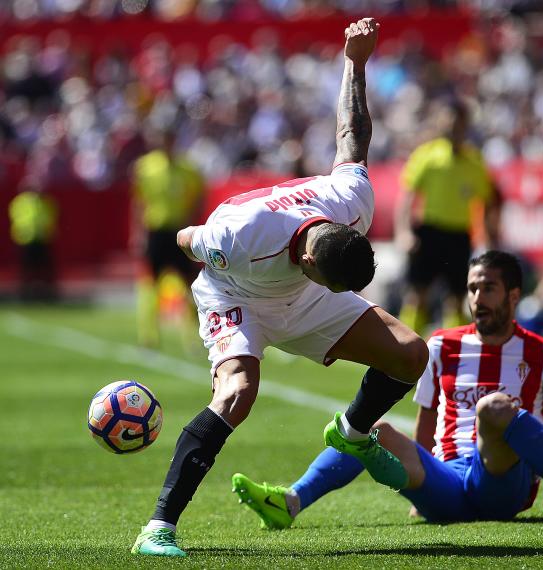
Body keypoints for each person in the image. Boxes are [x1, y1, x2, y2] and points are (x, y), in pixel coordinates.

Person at [132, 18, 429, 557]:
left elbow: (352, 135)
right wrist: (199, 249)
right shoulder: (237, 236)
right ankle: (159, 527)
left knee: (411, 354)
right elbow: (183, 238)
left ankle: (353, 432)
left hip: (306, 297)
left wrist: (354, 62)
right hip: (237, 294)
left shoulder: (349, 204)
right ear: (311, 260)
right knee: (237, 393)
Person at [231, 251, 543, 528]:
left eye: (488, 288)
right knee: (372, 429)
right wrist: (423, 473)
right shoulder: (441, 345)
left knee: (493, 409)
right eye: (472, 288)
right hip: (448, 485)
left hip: (503, 485)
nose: (476, 298)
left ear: (514, 296)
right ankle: (290, 502)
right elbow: (427, 417)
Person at [395, 98, 495, 336]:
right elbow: (408, 196)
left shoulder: (474, 162)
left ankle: (453, 349)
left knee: (457, 298)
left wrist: (487, 236)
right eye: (448, 124)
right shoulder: (428, 156)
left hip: (459, 235)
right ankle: (403, 344)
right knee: (417, 295)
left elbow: (487, 200)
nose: (452, 129)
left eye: (457, 124)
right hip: (429, 231)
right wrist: (404, 232)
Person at [131, 125, 205, 348]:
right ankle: (149, 335)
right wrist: (138, 233)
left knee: (191, 285)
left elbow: (199, 196)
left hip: (180, 232)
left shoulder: (188, 168)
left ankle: (194, 336)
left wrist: (192, 221)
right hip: (156, 231)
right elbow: (139, 202)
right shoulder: (146, 167)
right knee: (150, 284)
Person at [8, 178, 58, 301]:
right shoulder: (20, 202)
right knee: (27, 269)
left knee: (43, 268)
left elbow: (51, 217)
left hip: (42, 239)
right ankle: (26, 293)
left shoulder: (45, 202)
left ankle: (45, 293)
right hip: (26, 240)